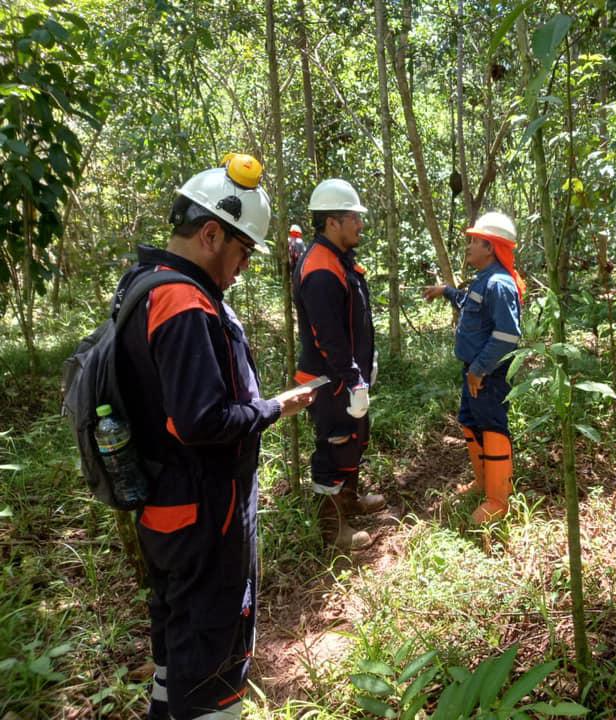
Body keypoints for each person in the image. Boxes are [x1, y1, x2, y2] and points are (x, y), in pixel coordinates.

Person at [113, 154, 316, 719]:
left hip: (169, 511)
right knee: (213, 669)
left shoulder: (145, 284)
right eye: (243, 251)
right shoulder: (183, 301)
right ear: (210, 234)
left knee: (178, 656)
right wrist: (273, 407)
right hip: (205, 518)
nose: (244, 266)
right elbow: (201, 422)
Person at [292, 178, 385, 550]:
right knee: (334, 447)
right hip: (331, 382)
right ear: (332, 222)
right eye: (353, 217)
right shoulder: (319, 269)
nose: (360, 224)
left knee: (354, 441)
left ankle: (350, 501)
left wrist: (366, 363)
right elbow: (328, 337)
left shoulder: (337, 260)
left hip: (347, 378)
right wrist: (352, 379)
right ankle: (333, 529)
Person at [423, 211, 524, 523]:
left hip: (488, 374)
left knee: (492, 427)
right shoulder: (484, 280)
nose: (468, 247)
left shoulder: (499, 284)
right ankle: (483, 483)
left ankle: (498, 500)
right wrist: (446, 292)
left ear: (490, 247)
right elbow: (469, 304)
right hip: (474, 370)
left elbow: (508, 336)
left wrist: (479, 369)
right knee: (470, 420)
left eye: (474, 242)